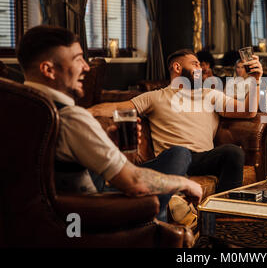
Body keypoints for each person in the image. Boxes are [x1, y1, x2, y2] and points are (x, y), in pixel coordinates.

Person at [16, 25, 202, 222]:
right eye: (78, 59)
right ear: (48, 70)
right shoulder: (71, 118)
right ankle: (154, 226)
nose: (86, 67)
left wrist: (107, 143)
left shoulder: (14, 108)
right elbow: (135, 182)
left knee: (178, 154)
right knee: (173, 167)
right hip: (89, 217)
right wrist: (184, 183)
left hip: (41, 219)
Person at [89, 49, 263, 193]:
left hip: (202, 159)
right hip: (170, 159)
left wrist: (255, 80)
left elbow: (248, 111)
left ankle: (223, 214)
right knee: (180, 153)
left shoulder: (210, 95)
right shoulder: (155, 97)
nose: (200, 68)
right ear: (177, 67)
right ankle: (174, 198)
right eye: (195, 64)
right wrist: (79, 112)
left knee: (233, 153)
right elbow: (115, 108)